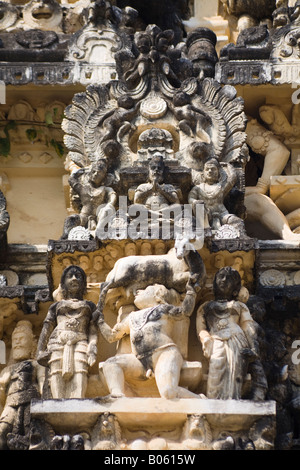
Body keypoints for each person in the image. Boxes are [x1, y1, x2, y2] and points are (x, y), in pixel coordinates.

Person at [96, 279, 201, 399]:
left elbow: (184, 311)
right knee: (111, 364)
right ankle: (117, 395)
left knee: (168, 393)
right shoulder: (132, 317)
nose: (138, 291)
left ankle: (199, 400)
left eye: (145, 289)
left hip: (164, 353)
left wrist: (191, 291)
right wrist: (99, 319)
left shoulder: (162, 309)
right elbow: (112, 336)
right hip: (140, 360)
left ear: (157, 297)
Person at [196, 267, 259, 400]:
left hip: (236, 339)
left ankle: (233, 401)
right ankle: (214, 403)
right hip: (216, 341)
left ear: (236, 289)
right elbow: (200, 328)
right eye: (221, 276)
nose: (224, 280)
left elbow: (248, 326)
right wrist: (205, 339)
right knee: (215, 370)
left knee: (235, 374)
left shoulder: (240, 306)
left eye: (229, 278)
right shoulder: (205, 306)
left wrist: (254, 347)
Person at [36, 265, 98, 399]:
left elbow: (93, 330)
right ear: (63, 283)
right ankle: (58, 401)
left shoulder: (90, 306)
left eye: (78, 276)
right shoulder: (56, 306)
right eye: (70, 276)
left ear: (84, 283)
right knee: (56, 370)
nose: (74, 279)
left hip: (80, 340)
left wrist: (93, 346)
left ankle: (77, 400)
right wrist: (40, 351)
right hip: (58, 341)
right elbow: (47, 328)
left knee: (80, 369)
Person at [0, 321, 41, 450]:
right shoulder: (6, 371)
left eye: (21, 339)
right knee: (2, 431)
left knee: (32, 434)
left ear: (33, 344)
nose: (17, 343)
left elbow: (44, 385)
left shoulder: (36, 365)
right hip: (10, 404)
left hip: (31, 402)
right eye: (15, 340)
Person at [188, 158, 245, 234]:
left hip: (222, 214)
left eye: (213, 169)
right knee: (198, 207)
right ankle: (204, 231)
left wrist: (227, 165)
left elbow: (232, 178)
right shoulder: (198, 188)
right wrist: (195, 202)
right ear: (203, 173)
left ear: (219, 173)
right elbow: (190, 197)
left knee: (237, 222)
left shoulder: (221, 187)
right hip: (205, 214)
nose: (210, 171)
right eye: (207, 169)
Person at [68, 159, 117, 231]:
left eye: (99, 173)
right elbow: (71, 180)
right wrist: (77, 173)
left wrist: (110, 204)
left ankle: (99, 232)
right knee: (70, 220)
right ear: (90, 173)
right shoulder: (83, 189)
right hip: (83, 217)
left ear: (104, 177)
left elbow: (113, 195)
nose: (95, 174)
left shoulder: (104, 189)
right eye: (94, 171)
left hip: (98, 218)